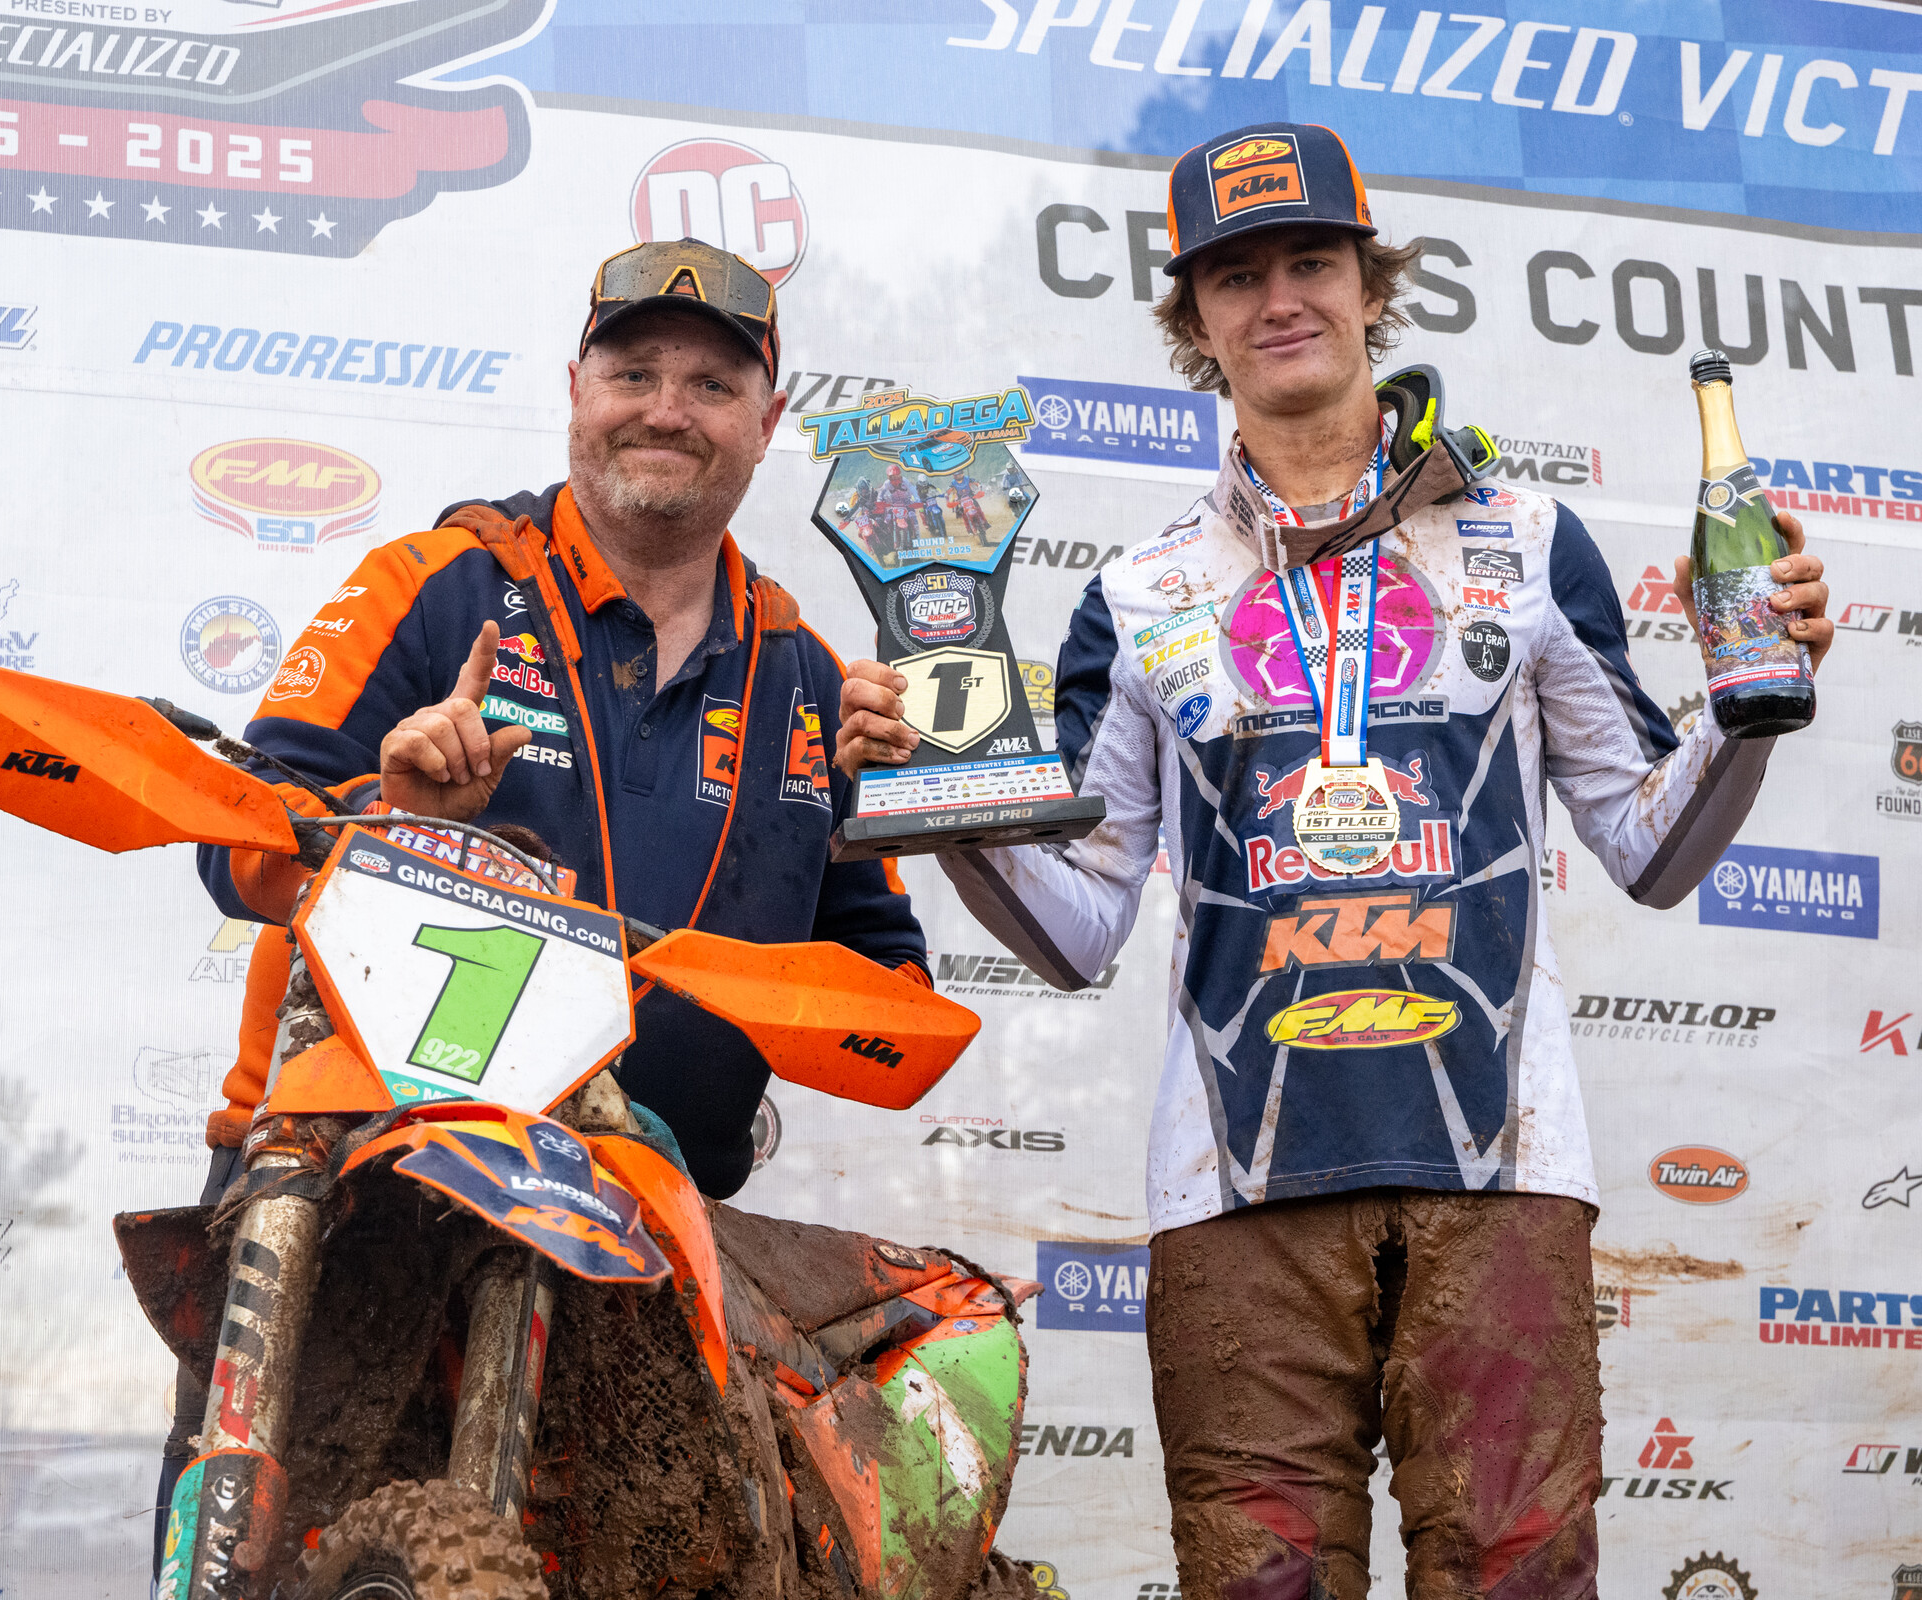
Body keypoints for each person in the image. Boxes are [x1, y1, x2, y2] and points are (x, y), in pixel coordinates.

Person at [834, 122, 1833, 1598]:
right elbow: (1080, 927)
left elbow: (1649, 845)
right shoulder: (1141, 590)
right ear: (1194, 319)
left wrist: (1750, 708)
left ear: (1374, 286)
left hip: (1501, 1175)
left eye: (1313, 261)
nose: (1280, 299)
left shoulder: (1526, 539)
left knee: (1518, 1581)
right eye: (1236, 276)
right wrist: (945, 803)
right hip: (1237, 1194)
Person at [168, 237, 929, 1570]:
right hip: (358, 1192)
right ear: (576, 389)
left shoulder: (813, 679)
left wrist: (937, 794)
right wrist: (393, 806)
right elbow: (235, 846)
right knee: (268, 1571)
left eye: (710, 384)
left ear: (767, 423)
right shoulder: (437, 583)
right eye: (633, 373)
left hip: (646, 1236)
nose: (665, 410)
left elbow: (890, 998)